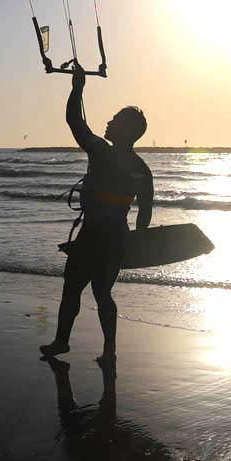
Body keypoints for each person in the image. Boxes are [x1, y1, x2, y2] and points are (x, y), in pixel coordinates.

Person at [40, 63, 153, 362]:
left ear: (125, 129)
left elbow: (74, 122)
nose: (109, 121)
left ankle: (62, 342)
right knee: (103, 294)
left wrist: (77, 89)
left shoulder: (102, 152)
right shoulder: (143, 169)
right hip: (117, 239)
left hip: (92, 237)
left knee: (72, 290)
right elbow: (145, 214)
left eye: (115, 119)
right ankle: (109, 351)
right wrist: (136, 245)